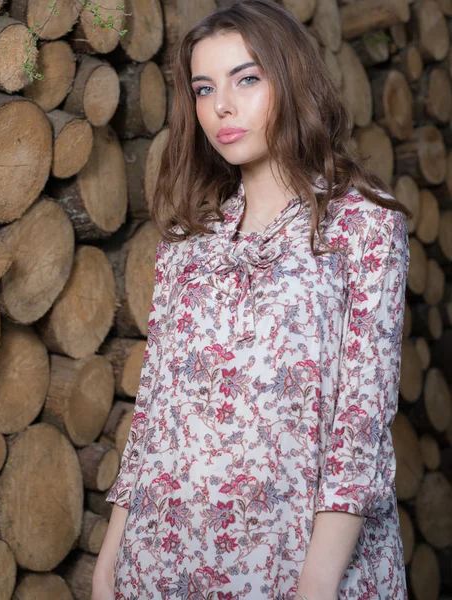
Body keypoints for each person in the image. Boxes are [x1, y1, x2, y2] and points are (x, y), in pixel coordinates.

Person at [92, 1, 413, 598]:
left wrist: (316, 583)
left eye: (246, 79)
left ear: (289, 79)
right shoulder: (188, 243)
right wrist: (111, 557)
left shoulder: (363, 226)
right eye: (204, 87)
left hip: (297, 565)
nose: (223, 107)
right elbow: (156, 413)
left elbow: (359, 429)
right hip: (164, 559)